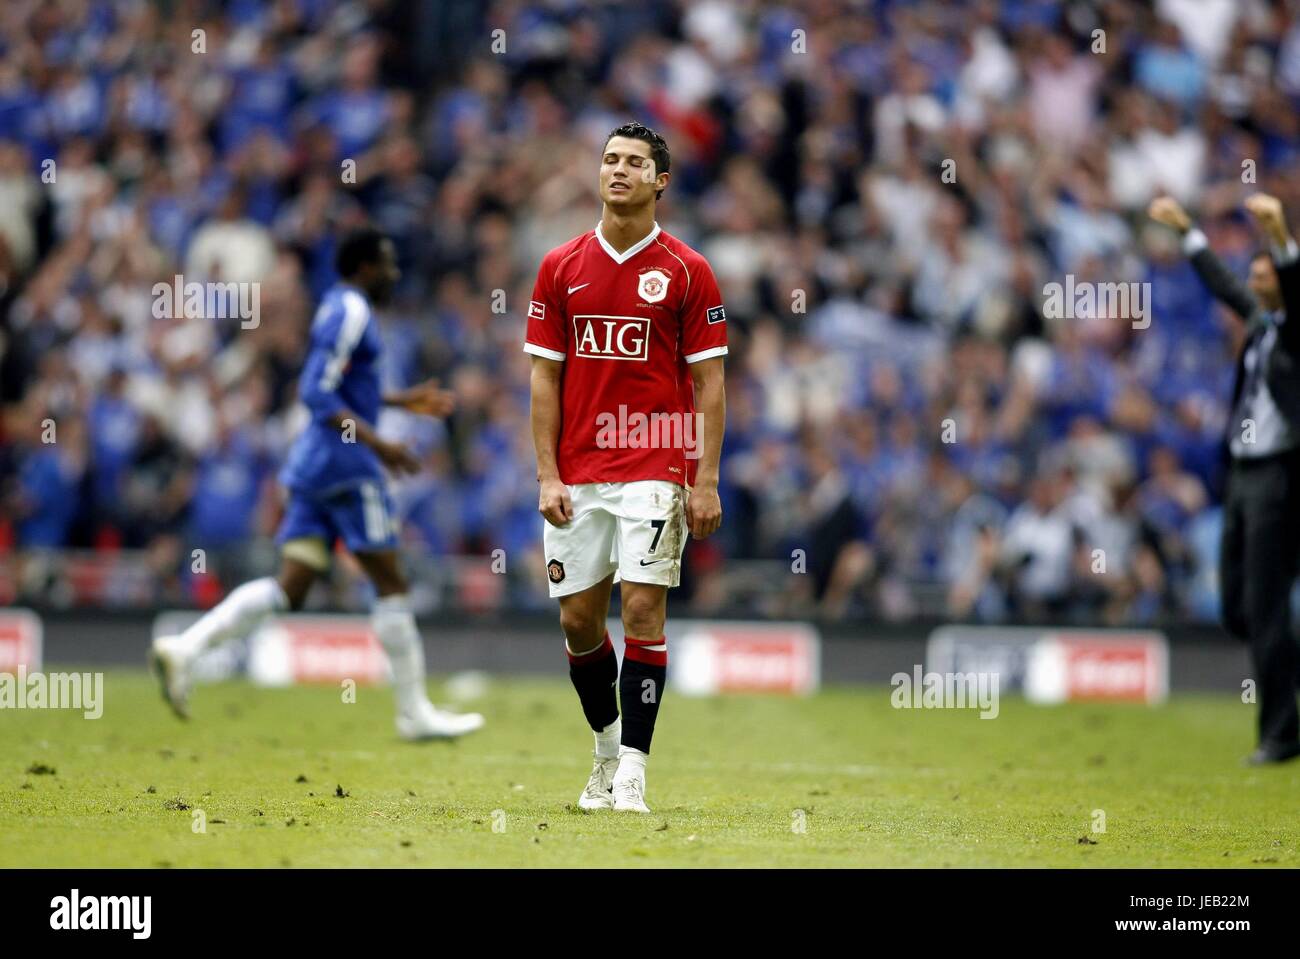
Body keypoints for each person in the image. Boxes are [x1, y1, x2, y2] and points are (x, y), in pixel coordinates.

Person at [150, 228, 484, 741]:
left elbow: (340, 387)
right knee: (392, 582)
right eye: (388, 264)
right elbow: (314, 390)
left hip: (313, 469)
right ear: (366, 268)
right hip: (346, 469)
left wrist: (395, 401)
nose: (394, 274)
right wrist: (380, 444)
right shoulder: (352, 312)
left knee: (293, 585)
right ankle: (413, 712)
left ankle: (187, 648)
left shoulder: (337, 307)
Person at [526, 122, 726, 812]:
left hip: (655, 461)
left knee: (643, 606)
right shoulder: (561, 267)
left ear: (659, 181)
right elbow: (543, 380)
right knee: (580, 621)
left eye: (634, 162)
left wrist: (704, 478)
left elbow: (711, 384)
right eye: (610, 159)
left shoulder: (686, 271)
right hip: (579, 471)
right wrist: (548, 473)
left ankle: (634, 769)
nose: (618, 170)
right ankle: (606, 750)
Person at [1149, 193, 1300, 764]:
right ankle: (1283, 676)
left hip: (1279, 478)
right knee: (1240, 610)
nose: (1254, 276)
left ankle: (1281, 734)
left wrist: (1281, 233)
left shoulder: (1297, 332)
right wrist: (1189, 232)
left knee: (1265, 608)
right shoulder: (1263, 324)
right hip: (1241, 476)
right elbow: (1224, 288)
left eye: (1265, 269)